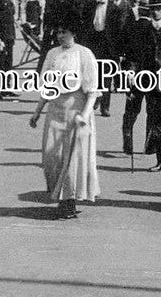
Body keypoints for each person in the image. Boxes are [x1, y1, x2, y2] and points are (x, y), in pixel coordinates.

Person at [29, 26, 100, 219]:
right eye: (58, 32)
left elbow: (92, 89)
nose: (60, 36)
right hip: (55, 109)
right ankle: (62, 197)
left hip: (76, 108)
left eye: (65, 32)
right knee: (51, 156)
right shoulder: (52, 53)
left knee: (72, 159)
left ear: (74, 32)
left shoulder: (84, 54)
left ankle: (68, 201)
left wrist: (85, 116)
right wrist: (37, 112)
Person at [120, 0, 161, 169]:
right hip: (148, 81)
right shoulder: (143, 30)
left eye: (160, 9)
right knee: (155, 120)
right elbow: (133, 55)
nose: (156, 12)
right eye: (153, 9)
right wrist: (131, 72)